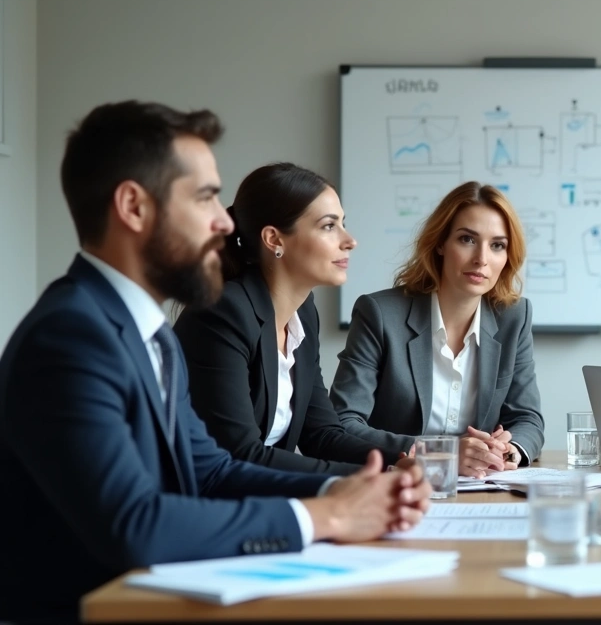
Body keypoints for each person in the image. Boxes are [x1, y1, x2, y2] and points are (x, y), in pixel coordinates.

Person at [0, 101, 431, 623]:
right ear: (134, 207)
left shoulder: (148, 333)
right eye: (205, 197)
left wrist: (345, 488)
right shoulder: (71, 337)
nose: (225, 222)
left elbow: (212, 470)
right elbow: (134, 524)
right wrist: (327, 514)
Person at [174, 163, 412, 475]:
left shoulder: (302, 314)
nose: (349, 240)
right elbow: (240, 454)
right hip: (204, 507)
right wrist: (376, 476)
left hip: (262, 500)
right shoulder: (223, 312)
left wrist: (409, 458)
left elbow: (321, 435)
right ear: (274, 239)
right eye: (329, 226)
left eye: (342, 224)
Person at [330, 181, 544, 478]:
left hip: (479, 489)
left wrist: (510, 450)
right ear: (441, 243)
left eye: (497, 245)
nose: (482, 258)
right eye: (467, 239)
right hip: (396, 484)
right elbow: (343, 422)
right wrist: (440, 453)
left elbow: (527, 418)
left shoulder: (514, 317)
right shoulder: (379, 314)